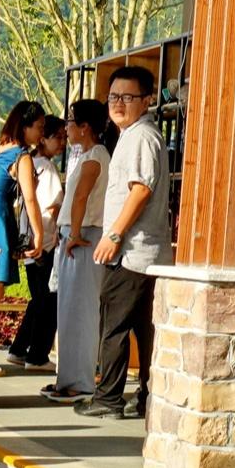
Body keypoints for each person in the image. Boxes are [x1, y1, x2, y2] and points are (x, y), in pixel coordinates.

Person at [88, 63, 174, 415]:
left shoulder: (140, 136)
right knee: (143, 330)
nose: (118, 103)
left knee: (114, 326)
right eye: (113, 96)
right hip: (143, 253)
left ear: (147, 100)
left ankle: (108, 398)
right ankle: (147, 399)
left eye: (128, 96)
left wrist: (113, 235)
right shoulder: (136, 134)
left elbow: (139, 191)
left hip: (131, 251)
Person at [47, 98, 114, 402]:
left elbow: (81, 198)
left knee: (81, 313)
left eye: (71, 122)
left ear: (86, 128)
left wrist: (73, 234)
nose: (67, 127)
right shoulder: (89, 155)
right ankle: (68, 379)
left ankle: (80, 382)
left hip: (83, 237)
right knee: (70, 312)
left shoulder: (94, 157)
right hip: (77, 237)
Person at [11, 112, 72, 369]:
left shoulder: (30, 163)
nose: (62, 143)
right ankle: (37, 354)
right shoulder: (45, 167)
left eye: (63, 137)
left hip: (30, 239)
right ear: (42, 138)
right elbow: (52, 206)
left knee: (38, 298)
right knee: (47, 299)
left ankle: (19, 349)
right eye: (56, 137)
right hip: (44, 241)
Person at [0, 102, 49, 345]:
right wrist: (39, 235)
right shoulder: (21, 157)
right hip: (0, 221)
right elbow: (31, 199)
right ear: (25, 126)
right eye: (39, 127)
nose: (41, 133)